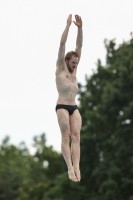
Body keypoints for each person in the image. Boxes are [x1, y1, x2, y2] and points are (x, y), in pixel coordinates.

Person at [55, 14, 83, 182]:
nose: (75, 65)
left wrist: (80, 28)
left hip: (74, 106)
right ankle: (69, 169)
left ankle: (77, 166)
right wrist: (68, 26)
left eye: (76, 63)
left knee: (76, 136)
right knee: (65, 135)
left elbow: (79, 45)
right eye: (73, 63)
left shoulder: (75, 69)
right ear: (66, 61)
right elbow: (62, 44)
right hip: (62, 106)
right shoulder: (60, 67)